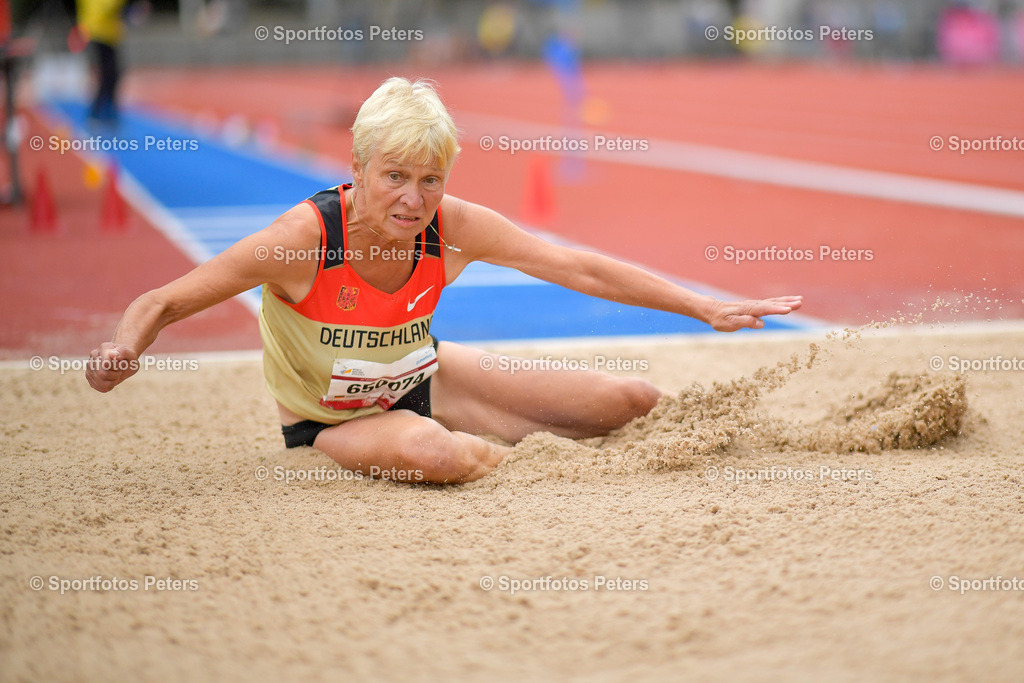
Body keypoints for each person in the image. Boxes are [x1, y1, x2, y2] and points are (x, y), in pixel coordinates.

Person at [86, 77, 802, 484]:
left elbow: (574, 264)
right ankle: (529, 466)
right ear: (359, 171)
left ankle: (775, 444)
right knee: (438, 454)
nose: (412, 199)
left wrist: (700, 303)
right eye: (394, 177)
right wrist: (125, 348)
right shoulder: (303, 242)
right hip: (333, 419)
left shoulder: (450, 226)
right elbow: (165, 298)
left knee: (634, 398)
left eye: (430, 180)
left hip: (427, 378)